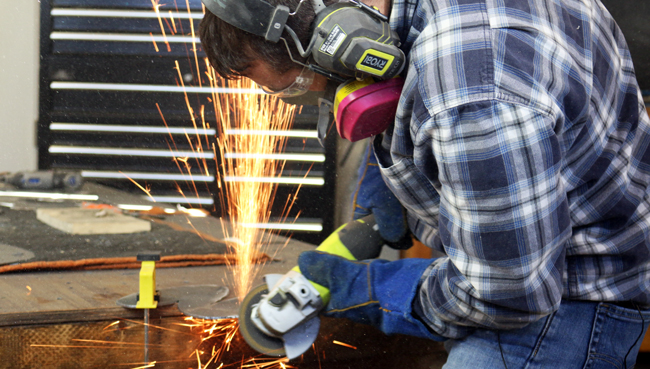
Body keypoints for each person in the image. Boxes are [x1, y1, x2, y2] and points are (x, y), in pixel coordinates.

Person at [200, 0, 650, 367]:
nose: (312, 98)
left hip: (566, 307)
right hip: (527, 255)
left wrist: (373, 290)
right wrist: (391, 178)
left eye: (294, 86)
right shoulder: (418, 21)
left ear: (336, 30)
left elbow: (508, 294)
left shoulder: (472, 96)